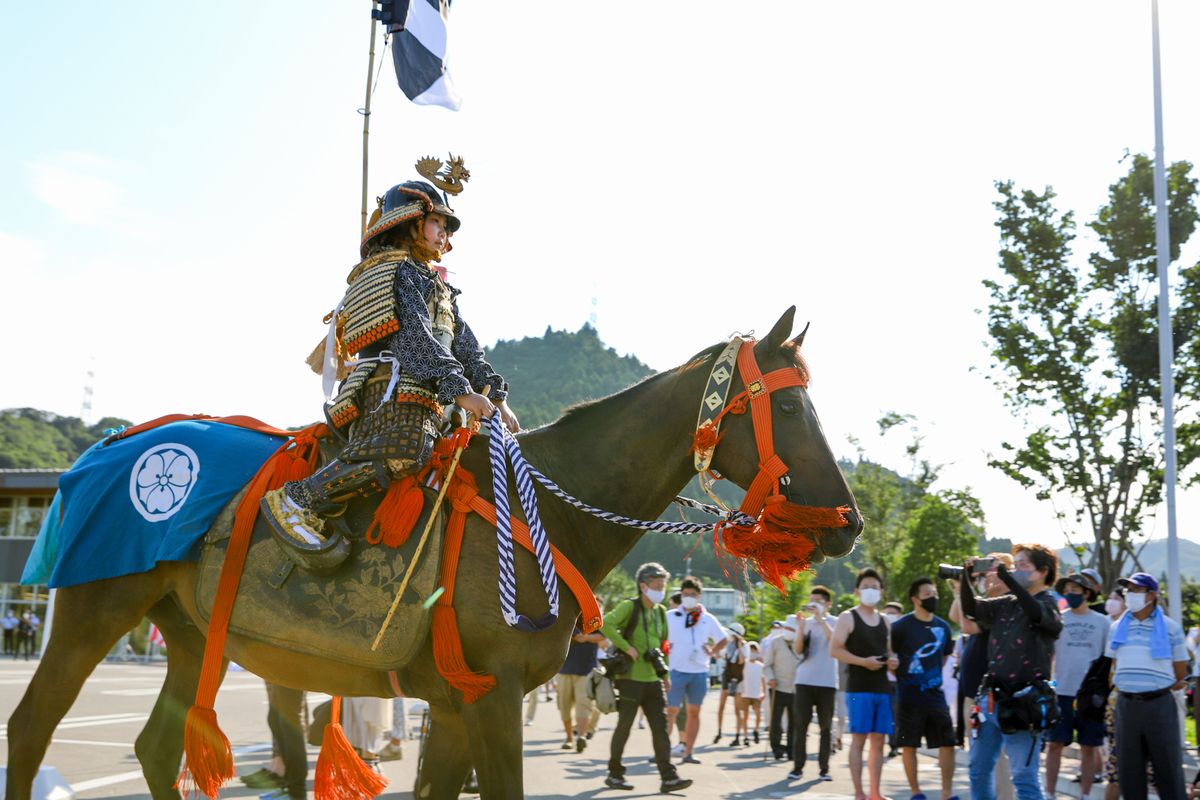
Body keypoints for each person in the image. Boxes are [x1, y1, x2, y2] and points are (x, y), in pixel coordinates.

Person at [261, 160, 520, 556]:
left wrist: (496, 395)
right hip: (388, 387)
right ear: (411, 223)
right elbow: (413, 338)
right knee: (405, 450)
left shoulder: (438, 285)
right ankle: (299, 499)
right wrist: (461, 391)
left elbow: (465, 345)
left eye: (448, 230)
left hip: (428, 388)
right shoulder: (393, 273)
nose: (446, 238)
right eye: (439, 225)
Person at [959, 544, 1063, 800]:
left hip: (1025, 704)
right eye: (1014, 564)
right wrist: (964, 577)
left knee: (1024, 778)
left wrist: (1007, 579)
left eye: (1023, 565)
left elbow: (1037, 613)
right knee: (977, 769)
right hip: (991, 699)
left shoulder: (1049, 603)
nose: (1015, 570)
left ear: (1042, 572)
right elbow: (972, 608)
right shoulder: (1006, 602)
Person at [600, 562, 691, 793]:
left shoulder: (660, 612)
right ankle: (615, 774)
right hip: (630, 678)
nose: (661, 590)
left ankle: (668, 777)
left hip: (653, 680)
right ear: (643, 586)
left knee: (660, 729)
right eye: (657, 585)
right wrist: (626, 646)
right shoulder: (629, 607)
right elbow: (606, 624)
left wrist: (666, 674)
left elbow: (663, 646)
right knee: (625, 727)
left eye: (663, 585)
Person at [1105, 572, 1188, 800]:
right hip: (1126, 704)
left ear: (1151, 595)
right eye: (1127, 590)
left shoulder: (1171, 628)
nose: (1130, 595)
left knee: (1168, 770)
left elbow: (1180, 669)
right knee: (1130, 773)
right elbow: (1114, 664)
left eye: (1136, 590)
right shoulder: (1116, 628)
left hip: (1159, 704)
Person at [949, 554, 1015, 800]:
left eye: (993, 568)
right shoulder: (986, 600)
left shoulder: (1006, 603)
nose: (987, 573)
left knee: (998, 759)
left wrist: (966, 588)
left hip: (991, 692)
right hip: (973, 689)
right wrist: (961, 586)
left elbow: (966, 625)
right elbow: (956, 616)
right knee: (978, 756)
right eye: (985, 568)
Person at [831, 568, 898, 800]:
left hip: (882, 687)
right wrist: (863, 662)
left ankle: (875, 793)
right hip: (859, 687)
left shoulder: (886, 621)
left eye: (875, 586)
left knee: (879, 741)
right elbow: (835, 649)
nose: (871, 590)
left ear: (882, 591)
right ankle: (859, 793)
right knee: (859, 739)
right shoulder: (848, 617)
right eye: (866, 586)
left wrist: (893, 661)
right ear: (857, 590)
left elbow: (891, 652)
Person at [1044, 573, 1110, 799]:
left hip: (1090, 696)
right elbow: (1049, 654)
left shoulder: (1103, 622)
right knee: (1054, 743)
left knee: (1088, 746)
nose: (1070, 593)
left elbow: (1107, 659)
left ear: (1087, 593)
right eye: (1067, 590)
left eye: (1075, 589)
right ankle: (1050, 793)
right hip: (1061, 690)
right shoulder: (1058, 619)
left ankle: (1085, 794)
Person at [892, 577, 957, 800]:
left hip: (935, 696)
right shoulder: (900, 627)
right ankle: (915, 792)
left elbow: (946, 655)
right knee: (909, 744)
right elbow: (890, 657)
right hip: (909, 696)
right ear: (915, 599)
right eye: (927, 594)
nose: (933, 597)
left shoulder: (943, 627)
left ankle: (946, 794)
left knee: (948, 741)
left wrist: (931, 675)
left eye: (934, 593)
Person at [665, 576, 726, 764]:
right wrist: (665, 648)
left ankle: (688, 752)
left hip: (699, 671)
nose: (688, 597)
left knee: (693, 712)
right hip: (676, 670)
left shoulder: (708, 619)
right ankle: (662, 752)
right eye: (684, 594)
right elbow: (659, 638)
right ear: (681, 595)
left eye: (692, 594)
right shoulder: (671, 616)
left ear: (699, 596)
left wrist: (713, 650)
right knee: (671, 711)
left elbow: (723, 639)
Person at [790, 585, 838, 782]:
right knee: (801, 725)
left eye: (818, 601)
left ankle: (824, 768)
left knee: (826, 727)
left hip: (827, 682)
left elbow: (836, 643)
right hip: (804, 680)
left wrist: (821, 620)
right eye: (812, 600)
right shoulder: (804, 623)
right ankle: (797, 767)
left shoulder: (836, 622)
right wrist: (801, 629)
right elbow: (798, 650)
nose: (814, 604)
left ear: (827, 604)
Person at [558, 624, 606, 753]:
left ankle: (581, 737)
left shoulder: (591, 614)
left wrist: (586, 637)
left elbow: (602, 636)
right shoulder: (562, 612)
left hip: (586, 669)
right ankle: (569, 738)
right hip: (563, 669)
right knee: (564, 706)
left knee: (583, 705)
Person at [764, 614, 801, 760]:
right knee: (775, 721)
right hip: (777, 687)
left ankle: (791, 750)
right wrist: (771, 678)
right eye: (786, 627)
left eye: (791, 628)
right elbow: (767, 665)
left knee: (794, 722)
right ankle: (776, 748)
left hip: (795, 689)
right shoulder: (775, 642)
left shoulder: (800, 643)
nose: (787, 630)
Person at [713, 622, 746, 744]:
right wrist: (715, 650)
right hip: (727, 677)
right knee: (721, 706)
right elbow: (718, 656)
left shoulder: (744, 646)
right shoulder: (728, 646)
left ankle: (737, 736)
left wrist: (740, 646)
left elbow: (742, 661)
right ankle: (719, 731)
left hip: (738, 678)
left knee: (737, 709)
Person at [883, 600, 904, 758]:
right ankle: (890, 743)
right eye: (887, 613)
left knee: (897, 715)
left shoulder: (904, 635)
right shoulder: (879, 634)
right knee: (886, 715)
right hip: (882, 681)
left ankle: (895, 745)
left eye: (893, 613)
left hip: (899, 681)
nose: (889, 616)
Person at [735, 642, 766, 746]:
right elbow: (740, 658)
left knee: (758, 714)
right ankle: (746, 737)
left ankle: (756, 730)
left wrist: (764, 693)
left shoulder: (761, 666)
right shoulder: (745, 664)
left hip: (757, 693)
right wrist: (740, 646)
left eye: (755, 651)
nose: (753, 653)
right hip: (746, 693)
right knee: (745, 716)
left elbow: (763, 680)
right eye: (751, 650)